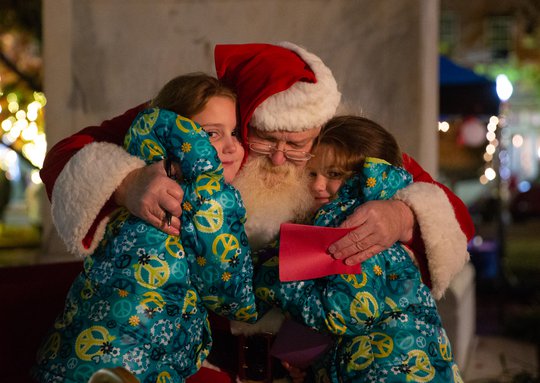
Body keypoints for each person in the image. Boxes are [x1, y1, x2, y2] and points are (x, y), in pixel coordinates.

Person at [39, 42, 474, 380]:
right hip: (201, 359)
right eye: (265, 139)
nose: (281, 158)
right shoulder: (211, 117)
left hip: (318, 363)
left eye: (298, 145)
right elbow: (66, 155)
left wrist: (400, 216)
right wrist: (127, 184)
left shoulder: (343, 142)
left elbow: (454, 216)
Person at [33, 74, 257, 383]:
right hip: (143, 353)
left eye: (234, 133)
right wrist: (262, 297)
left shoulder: (139, 171)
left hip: (80, 342)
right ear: (178, 137)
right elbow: (226, 287)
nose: (232, 147)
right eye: (211, 134)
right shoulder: (210, 199)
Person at [253, 115, 465, 382]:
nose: (318, 185)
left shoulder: (363, 233)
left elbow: (347, 312)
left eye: (334, 175)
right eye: (312, 173)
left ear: (366, 179)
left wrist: (272, 277)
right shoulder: (338, 222)